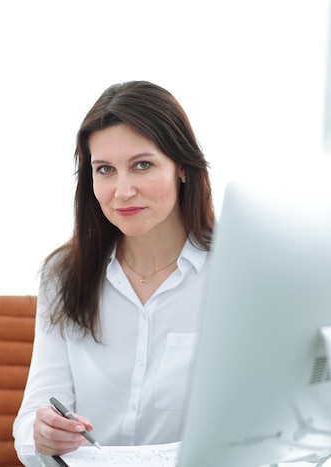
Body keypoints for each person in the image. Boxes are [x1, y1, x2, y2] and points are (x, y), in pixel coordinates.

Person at [13, 81, 215, 465]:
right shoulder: (64, 274)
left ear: (183, 168)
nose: (122, 191)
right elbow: (31, 421)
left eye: (142, 165)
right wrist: (41, 432)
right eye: (105, 170)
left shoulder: (235, 274)